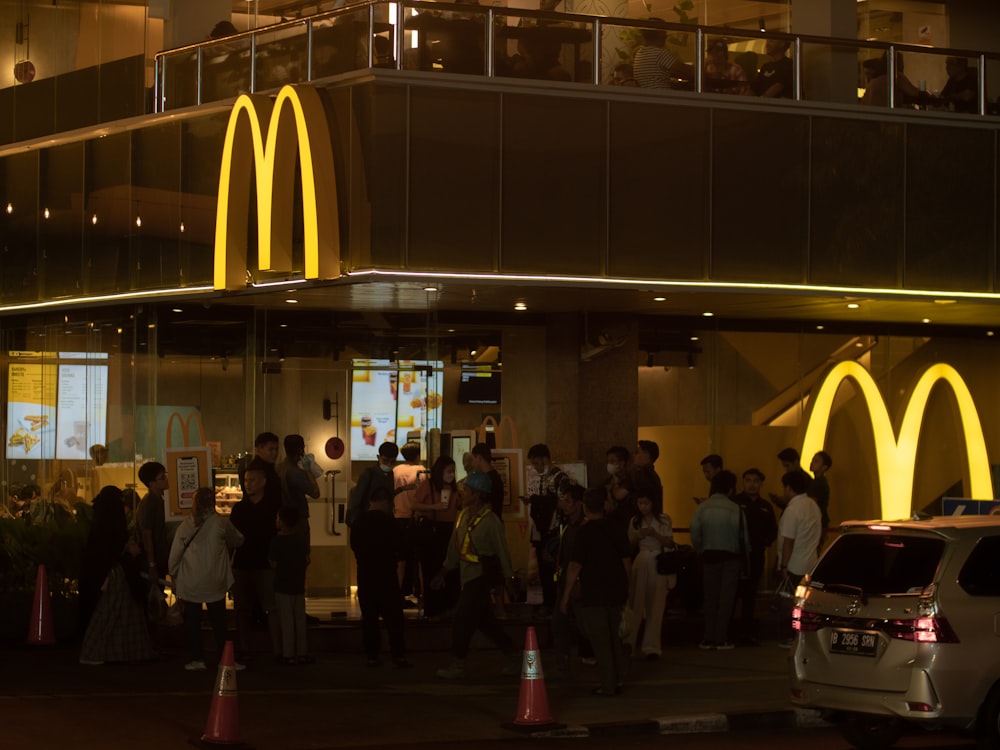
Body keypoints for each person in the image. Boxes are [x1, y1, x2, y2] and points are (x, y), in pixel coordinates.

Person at [432, 471, 518, 679]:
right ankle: (516, 656)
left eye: (466, 490)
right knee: (485, 623)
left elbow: (502, 551)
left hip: (480, 579)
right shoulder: (461, 517)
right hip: (466, 577)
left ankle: (458, 664)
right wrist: (443, 572)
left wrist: (509, 580)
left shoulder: (491, 521)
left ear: (478, 495)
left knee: (461, 619)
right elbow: (455, 549)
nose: (462, 493)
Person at [559, 487, 631, 696]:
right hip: (616, 589)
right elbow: (627, 561)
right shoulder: (617, 528)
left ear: (584, 506)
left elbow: (574, 566)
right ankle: (619, 676)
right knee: (615, 636)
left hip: (594, 593)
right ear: (605, 505)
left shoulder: (584, 531)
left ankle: (608, 685)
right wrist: (629, 586)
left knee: (600, 640)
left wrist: (565, 596)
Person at [168, 486, 245, 671]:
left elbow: (174, 556)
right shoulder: (221, 523)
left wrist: (174, 576)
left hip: (191, 581)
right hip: (215, 581)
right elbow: (238, 540)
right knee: (219, 622)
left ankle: (197, 658)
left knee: (193, 623)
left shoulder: (185, 526)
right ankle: (225, 659)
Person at [79, 485, 154, 665]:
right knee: (119, 616)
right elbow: (117, 546)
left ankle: (98, 652)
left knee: (107, 616)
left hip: (107, 575)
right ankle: (120, 652)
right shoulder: (114, 521)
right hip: (118, 576)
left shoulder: (99, 521)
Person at [350, 486, 411, 668]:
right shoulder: (390, 523)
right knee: (394, 619)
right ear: (385, 502)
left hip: (366, 576)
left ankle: (372, 656)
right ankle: (398, 655)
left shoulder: (358, 522)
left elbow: (355, 548)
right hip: (387, 576)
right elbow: (401, 553)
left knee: (369, 619)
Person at [690, 469, 747, 650]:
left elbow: (695, 533)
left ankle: (708, 637)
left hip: (709, 556)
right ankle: (721, 638)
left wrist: (701, 549)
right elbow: (743, 538)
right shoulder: (736, 509)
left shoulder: (703, 508)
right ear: (731, 489)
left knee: (710, 598)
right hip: (731, 557)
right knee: (726, 599)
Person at [229, 461, 281, 662]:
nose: (248, 484)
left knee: (271, 607)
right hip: (242, 564)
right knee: (242, 608)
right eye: (245, 480)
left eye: (252, 480)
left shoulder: (273, 507)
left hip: (266, 564)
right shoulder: (239, 509)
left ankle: (277, 649)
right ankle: (244, 647)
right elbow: (231, 537)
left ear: (264, 482)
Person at [625, 489, 674, 660]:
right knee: (636, 603)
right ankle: (629, 644)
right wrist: (639, 535)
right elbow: (629, 544)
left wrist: (655, 534)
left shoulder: (663, 519)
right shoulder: (634, 521)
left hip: (657, 561)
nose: (643, 507)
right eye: (640, 503)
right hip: (641, 559)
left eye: (646, 503)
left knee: (656, 604)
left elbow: (669, 541)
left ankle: (652, 646)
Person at [551, 481, 593, 676]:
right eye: (563, 501)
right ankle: (563, 660)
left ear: (578, 504)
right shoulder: (568, 527)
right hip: (564, 580)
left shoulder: (585, 527)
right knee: (559, 622)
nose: (564, 505)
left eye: (568, 501)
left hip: (578, 583)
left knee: (586, 624)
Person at [411, 455, 460, 619]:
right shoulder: (428, 485)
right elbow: (414, 504)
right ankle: (433, 609)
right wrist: (435, 507)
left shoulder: (455, 489)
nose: (452, 474)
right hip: (431, 530)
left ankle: (449, 606)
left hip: (449, 530)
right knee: (431, 569)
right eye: (449, 471)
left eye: (453, 471)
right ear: (440, 472)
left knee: (450, 569)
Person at [776, 470, 822, 648]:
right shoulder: (813, 506)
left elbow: (788, 540)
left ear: (788, 488)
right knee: (805, 606)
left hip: (794, 564)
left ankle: (790, 637)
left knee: (791, 605)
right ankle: (803, 638)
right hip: (811, 562)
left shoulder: (792, 509)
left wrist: (783, 565)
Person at [732, 468, 777, 644]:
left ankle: (747, 633)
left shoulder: (766, 507)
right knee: (734, 593)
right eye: (748, 480)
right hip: (737, 555)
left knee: (751, 594)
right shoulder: (735, 503)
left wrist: (765, 541)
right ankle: (729, 631)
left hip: (757, 555)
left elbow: (773, 531)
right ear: (743, 483)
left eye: (755, 481)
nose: (752, 485)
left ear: (761, 484)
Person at [269, 505, 314, 665]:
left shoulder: (276, 542)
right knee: (300, 619)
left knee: (287, 620)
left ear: (281, 522)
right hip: (298, 584)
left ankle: (288, 654)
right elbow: (306, 560)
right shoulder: (300, 541)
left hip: (282, 585)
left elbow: (273, 563)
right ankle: (302, 652)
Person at [526, 443, 565, 612]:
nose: (535, 467)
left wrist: (536, 501)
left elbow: (561, 503)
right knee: (543, 568)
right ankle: (548, 602)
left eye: (537, 463)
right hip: (542, 530)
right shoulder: (544, 478)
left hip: (554, 530)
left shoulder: (558, 477)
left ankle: (553, 603)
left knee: (551, 569)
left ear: (545, 459)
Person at [277, 434, 320, 549]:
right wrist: (307, 469)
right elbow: (316, 493)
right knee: (300, 557)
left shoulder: (279, 467)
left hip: (282, 520)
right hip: (297, 521)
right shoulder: (295, 473)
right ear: (301, 450)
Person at [393, 441, 424, 599]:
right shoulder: (423, 471)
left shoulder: (396, 470)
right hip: (416, 518)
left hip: (398, 518)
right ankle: (423, 593)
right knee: (419, 558)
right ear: (418, 454)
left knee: (401, 559)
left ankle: (398, 593)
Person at [346, 441, 398, 527]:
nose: (389, 464)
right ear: (378, 457)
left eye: (392, 462)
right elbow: (356, 499)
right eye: (385, 460)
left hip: (384, 522)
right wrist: (354, 522)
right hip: (367, 522)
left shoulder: (391, 474)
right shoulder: (368, 474)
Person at [136, 461, 170, 580]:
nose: (166, 479)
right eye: (162, 478)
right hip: (153, 560)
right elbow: (147, 534)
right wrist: (152, 564)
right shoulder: (150, 503)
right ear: (151, 483)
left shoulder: (158, 500)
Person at [470, 442, 505, 516]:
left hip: (489, 524)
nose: (472, 464)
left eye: (473, 459)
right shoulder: (494, 476)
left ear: (479, 457)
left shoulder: (488, 479)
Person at [808, 450, 832, 546]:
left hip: (816, 524)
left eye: (816, 461)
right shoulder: (819, 482)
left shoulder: (818, 483)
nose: (812, 462)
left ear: (824, 467)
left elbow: (812, 505)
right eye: (813, 460)